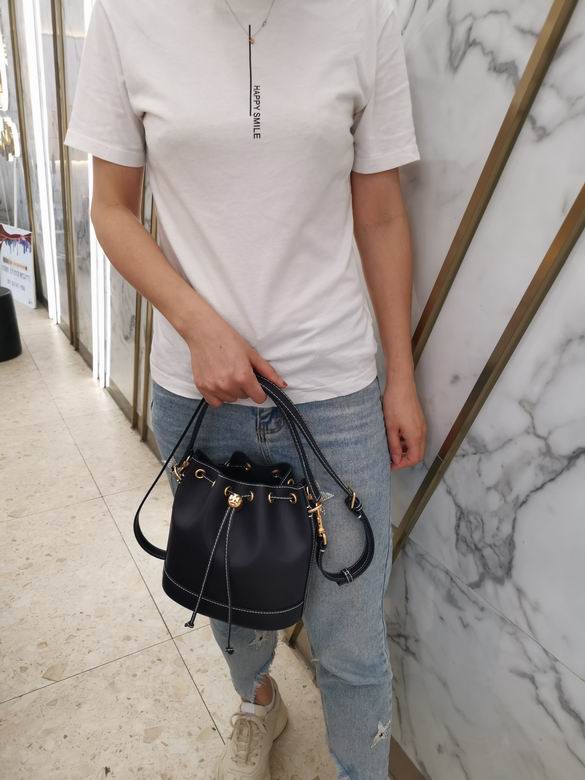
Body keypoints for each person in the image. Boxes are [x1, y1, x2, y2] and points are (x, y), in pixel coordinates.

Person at [64, 0, 427, 777]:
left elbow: (381, 215)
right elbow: (111, 209)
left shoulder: (363, 17)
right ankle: (259, 699)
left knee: (351, 638)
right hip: (201, 396)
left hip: (333, 393)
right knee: (231, 601)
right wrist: (198, 323)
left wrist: (400, 378)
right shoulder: (126, 18)